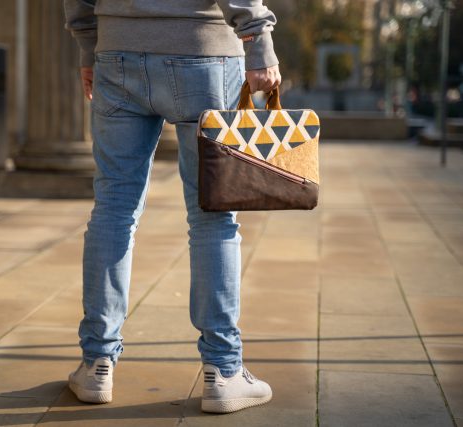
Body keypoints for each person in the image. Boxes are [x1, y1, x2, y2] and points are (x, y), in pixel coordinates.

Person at [63, 0, 281, 414]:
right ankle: (223, 371)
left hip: (116, 54)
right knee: (212, 216)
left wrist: (88, 44)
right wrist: (258, 38)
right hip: (203, 54)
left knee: (113, 207)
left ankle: (96, 364)